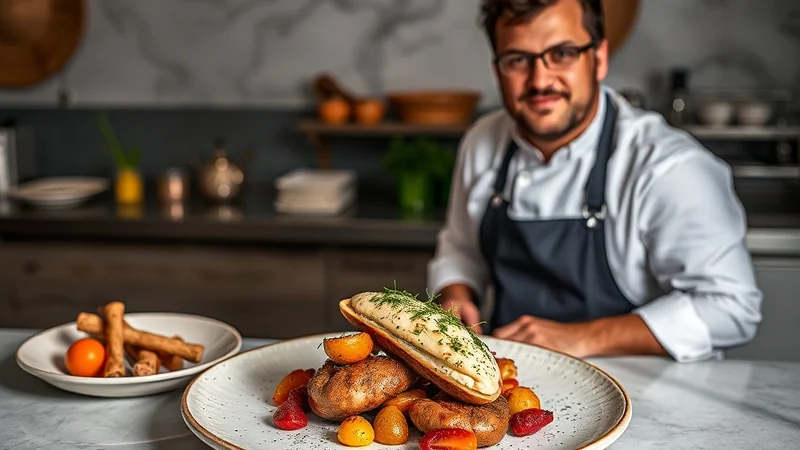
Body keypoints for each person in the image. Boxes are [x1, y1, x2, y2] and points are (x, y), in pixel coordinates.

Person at [427, 0, 763, 363]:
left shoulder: (669, 167)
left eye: (562, 54)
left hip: (643, 386)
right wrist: (456, 292)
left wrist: (581, 337)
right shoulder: (482, 142)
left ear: (599, 58)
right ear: (498, 69)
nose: (540, 81)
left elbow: (731, 308)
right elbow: (460, 248)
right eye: (518, 59)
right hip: (513, 376)